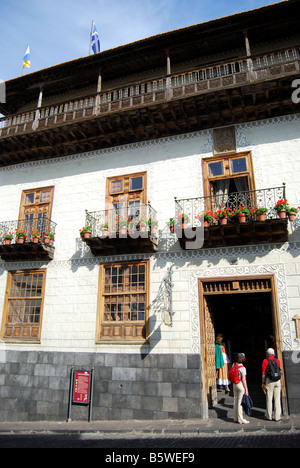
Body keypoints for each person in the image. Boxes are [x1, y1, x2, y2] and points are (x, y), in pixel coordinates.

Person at [262, 348, 282, 421]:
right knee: (277, 399)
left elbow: (264, 373)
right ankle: (277, 417)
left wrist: (263, 382)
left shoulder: (265, 361)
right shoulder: (277, 361)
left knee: (269, 398)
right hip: (277, 381)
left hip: (269, 381)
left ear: (267, 354)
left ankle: (269, 416)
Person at [232, 353, 249, 424]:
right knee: (240, 402)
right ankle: (240, 419)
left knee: (235, 401)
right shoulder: (243, 368)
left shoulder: (233, 365)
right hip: (240, 385)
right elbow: (244, 380)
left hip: (234, 384)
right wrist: (246, 389)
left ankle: (235, 417)